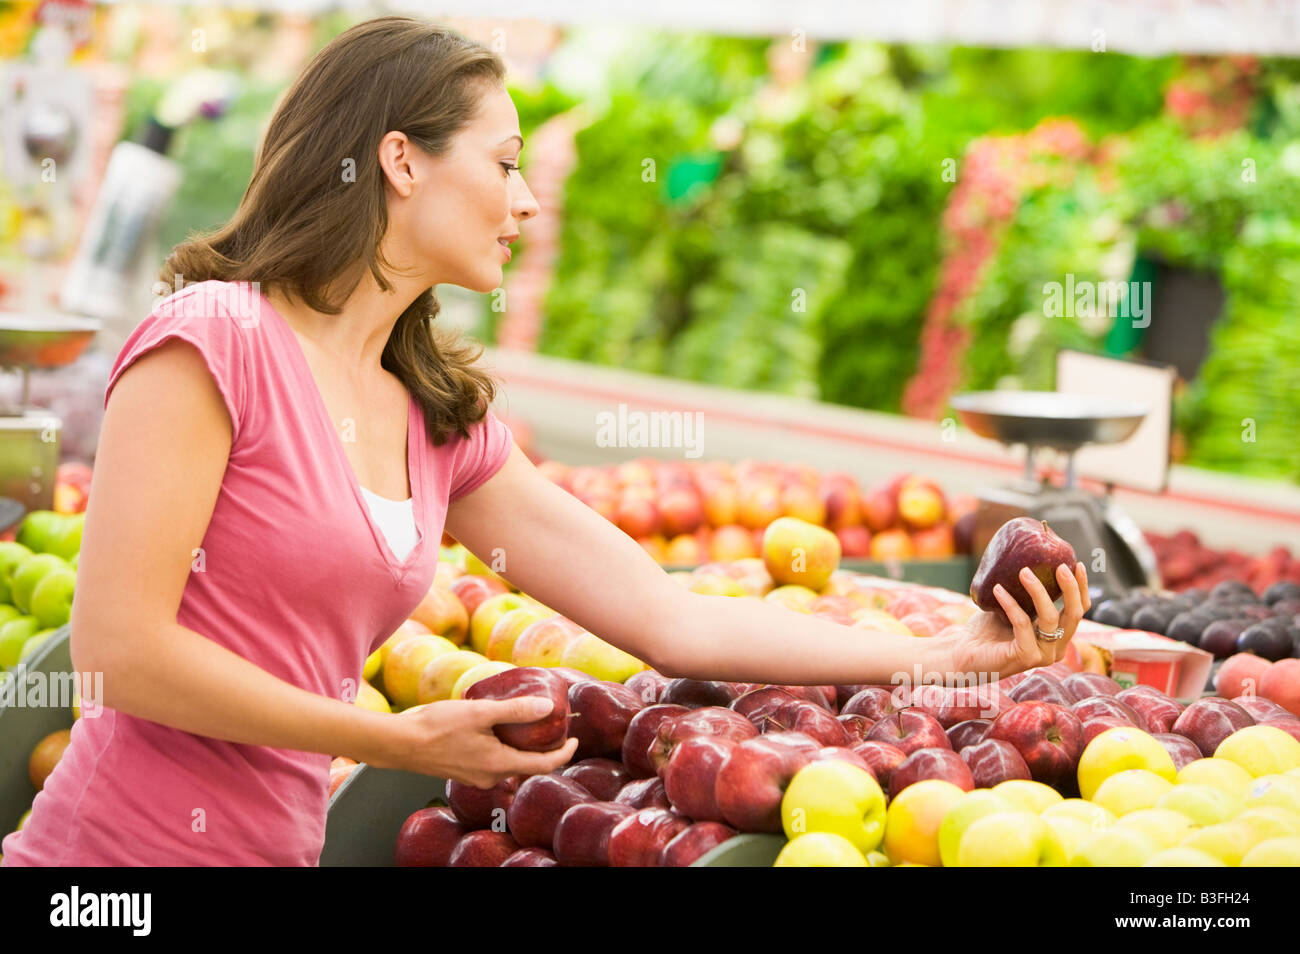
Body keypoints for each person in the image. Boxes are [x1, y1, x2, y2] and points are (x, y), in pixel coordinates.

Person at [2, 17, 1089, 867]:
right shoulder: (216, 340)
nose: (525, 202)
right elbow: (117, 651)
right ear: (400, 162)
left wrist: (948, 656)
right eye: (506, 163)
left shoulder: (434, 419)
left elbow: (672, 619)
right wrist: (393, 742)